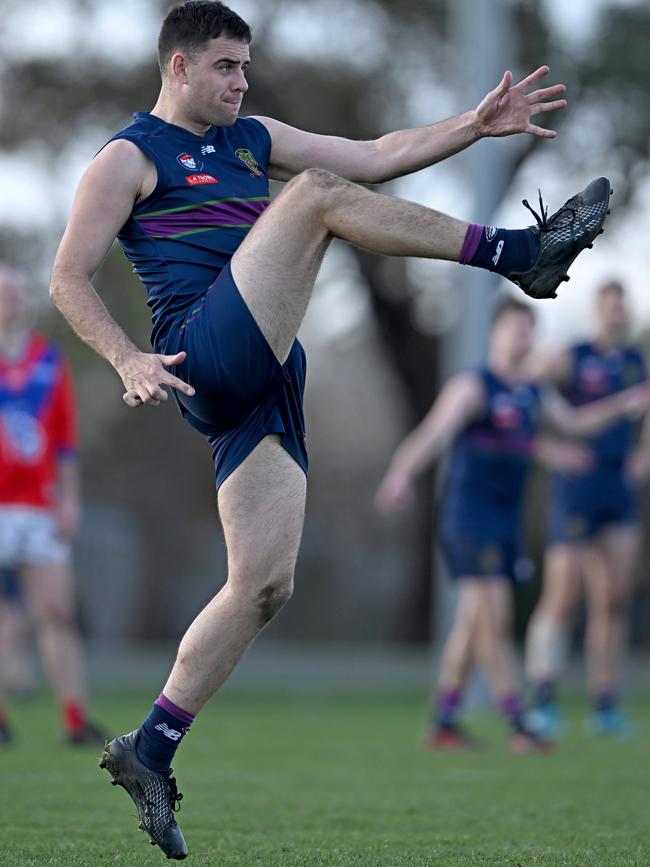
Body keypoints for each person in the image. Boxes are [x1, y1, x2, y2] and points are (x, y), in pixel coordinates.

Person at [49, 0, 612, 858]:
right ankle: (516, 255)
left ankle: (150, 748)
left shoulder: (252, 138)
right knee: (313, 198)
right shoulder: (127, 157)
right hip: (205, 348)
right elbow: (68, 278)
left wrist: (475, 123)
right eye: (226, 65)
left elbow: (377, 157)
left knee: (264, 585)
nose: (242, 80)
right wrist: (127, 358)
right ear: (179, 68)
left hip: (267, 377)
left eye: (246, 65)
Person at [374, 297, 648, 753]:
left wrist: (623, 406)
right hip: (469, 516)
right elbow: (432, 435)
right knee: (494, 618)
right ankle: (519, 722)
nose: (522, 337)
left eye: (528, 330)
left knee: (471, 622)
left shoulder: (534, 393)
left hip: (506, 519)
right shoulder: (473, 387)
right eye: (515, 329)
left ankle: (443, 721)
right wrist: (401, 474)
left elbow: (575, 423)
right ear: (494, 334)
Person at [525, 280, 650, 738]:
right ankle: (543, 700)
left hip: (618, 490)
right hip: (576, 487)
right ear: (597, 312)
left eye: (622, 306)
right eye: (608, 306)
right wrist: (549, 449)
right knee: (562, 597)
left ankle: (605, 705)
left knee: (613, 599)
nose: (615, 314)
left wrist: (644, 457)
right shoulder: (572, 355)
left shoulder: (638, 362)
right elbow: (526, 391)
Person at [0, 264, 104, 746]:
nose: (14, 300)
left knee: (57, 613)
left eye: (19, 291)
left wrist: (71, 499)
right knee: (6, 619)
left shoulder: (48, 359)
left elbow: (65, 440)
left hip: (40, 506)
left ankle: (74, 719)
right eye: (5, 292)